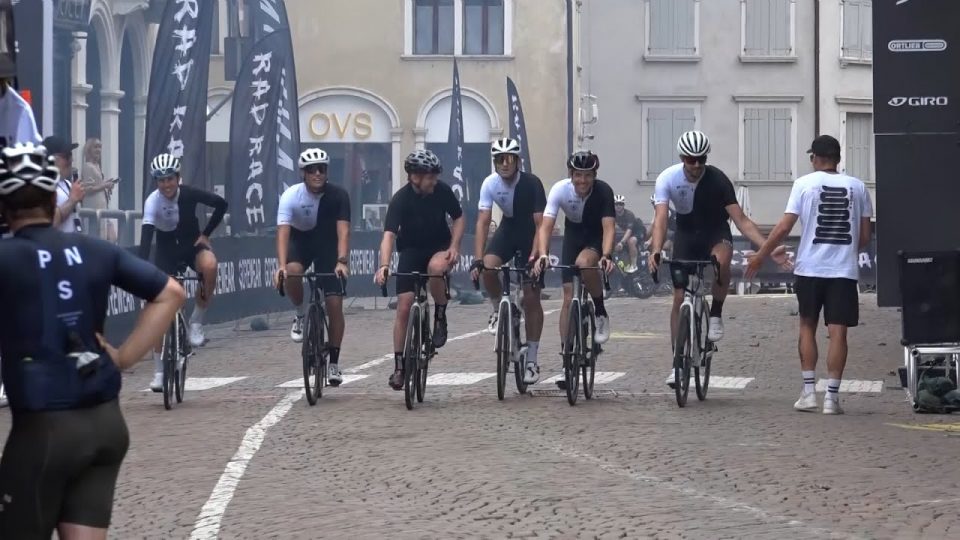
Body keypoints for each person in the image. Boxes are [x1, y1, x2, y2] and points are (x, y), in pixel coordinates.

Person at [0, 142, 184, 539]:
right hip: (104, 421)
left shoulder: (7, 257)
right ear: (54, 196)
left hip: (42, 427)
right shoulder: (96, 249)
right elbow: (172, 293)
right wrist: (124, 357)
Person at [647, 130, 788, 388]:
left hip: (715, 232)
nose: (697, 165)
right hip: (686, 236)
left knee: (721, 262)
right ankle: (677, 363)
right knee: (679, 298)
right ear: (682, 158)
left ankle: (716, 314)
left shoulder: (718, 180)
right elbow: (661, 219)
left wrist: (768, 247)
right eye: (691, 159)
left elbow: (741, 221)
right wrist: (656, 250)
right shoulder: (667, 178)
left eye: (701, 158)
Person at [746, 135, 872, 415]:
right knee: (838, 333)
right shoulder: (858, 187)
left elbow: (783, 227)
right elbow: (864, 235)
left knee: (807, 326)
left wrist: (761, 255)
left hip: (810, 268)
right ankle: (832, 398)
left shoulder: (803, 184)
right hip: (843, 271)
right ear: (838, 159)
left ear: (815, 158)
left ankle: (807, 393)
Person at [374, 149, 465, 390]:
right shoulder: (400, 199)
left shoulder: (442, 191)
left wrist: (454, 246)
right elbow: (389, 236)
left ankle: (440, 314)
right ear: (415, 177)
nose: (435, 180)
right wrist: (384, 265)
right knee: (403, 307)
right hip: (411, 251)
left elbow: (459, 218)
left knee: (436, 267)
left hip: (438, 246)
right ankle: (399, 368)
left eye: (436, 176)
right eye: (430, 177)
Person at [139, 153, 227, 392]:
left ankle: (196, 321)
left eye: (170, 179)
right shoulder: (152, 201)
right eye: (161, 180)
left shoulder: (189, 193)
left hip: (192, 245)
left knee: (209, 266)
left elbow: (221, 204)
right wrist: (140, 266)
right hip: (167, 251)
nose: (166, 184)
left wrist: (206, 233)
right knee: (159, 308)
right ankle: (158, 371)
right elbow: (146, 237)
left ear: (178, 178)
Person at [531, 150, 616, 389]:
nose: (582, 181)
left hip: (595, 238)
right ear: (571, 175)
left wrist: (607, 254)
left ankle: (600, 311)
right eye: (578, 175)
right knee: (568, 298)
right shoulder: (560, 190)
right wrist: (544, 254)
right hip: (573, 237)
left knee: (584, 263)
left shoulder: (603, 192)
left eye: (587, 176)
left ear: (594, 176)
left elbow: (609, 227)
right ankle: (567, 359)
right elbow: (546, 226)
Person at [471, 138, 547, 384]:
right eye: (499, 159)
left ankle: (532, 360)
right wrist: (477, 258)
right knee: (489, 269)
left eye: (509, 159)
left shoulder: (531, 183)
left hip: (530, 235)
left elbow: (540, 225)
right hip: (508, 229)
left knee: (531, 295)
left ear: (518, 161)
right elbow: (483, 221)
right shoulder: (489, 183)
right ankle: (498, 309)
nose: (504, 164)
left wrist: (536, 256)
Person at [274, 148, 351, 386]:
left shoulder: (338, 195)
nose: (317, 173)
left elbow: (343, 231)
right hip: (302, 242)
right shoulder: (291, 196)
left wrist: (341, 261)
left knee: (334, 304)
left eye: (322, 169)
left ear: (327, 172)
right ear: (303, 173)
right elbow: (283, 232)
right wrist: (281, 266)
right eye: (312, 170)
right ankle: (299, 314)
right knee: (293, 272)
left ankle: (335, 364)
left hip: (328, 246)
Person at [43, 135, 85, 233]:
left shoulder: (67, 184)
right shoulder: (42, 187)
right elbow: (49, 223)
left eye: (71, 155)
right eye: (66, 156)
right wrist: (72, 201)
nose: (71, 160)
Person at [80, 138, 119, 242]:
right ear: (89, 149)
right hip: (93, 207)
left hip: (102, 207)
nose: (98, 149)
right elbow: (87, 189)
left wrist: (106, 184)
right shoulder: (87, 166)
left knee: (111, 237)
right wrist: (105, 185)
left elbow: (97, 185)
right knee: (97, 239)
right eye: (95, 146)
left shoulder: (97, 166)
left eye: (100, 147)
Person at [613, 194, 643, 272]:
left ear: (623, 205)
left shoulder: (629, 214)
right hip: (627, 232)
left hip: (638, 231)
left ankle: (634, 265)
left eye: (621, 204)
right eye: (616, 204)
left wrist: (622, 243)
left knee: (631, 241)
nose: (618, 206)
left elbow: (629, 231)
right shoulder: (612, 215)